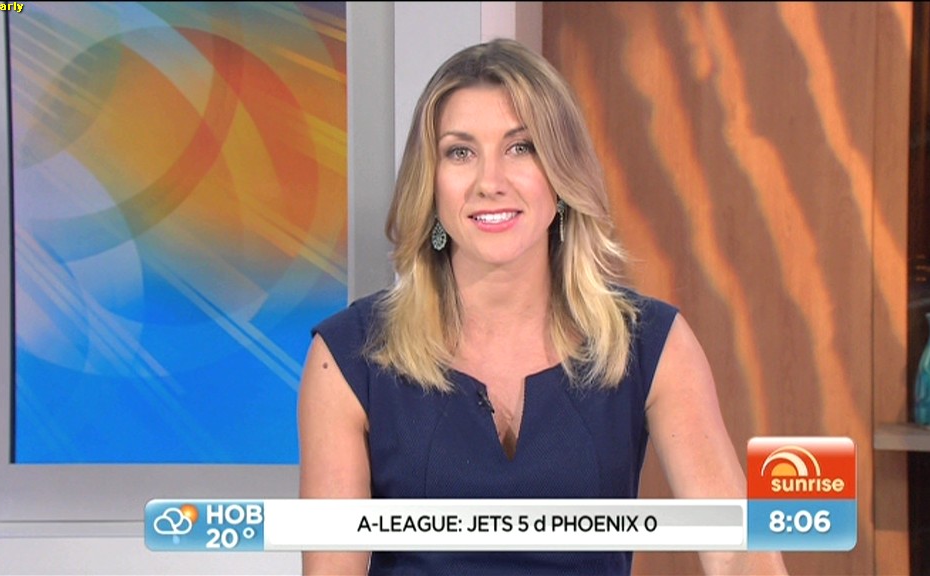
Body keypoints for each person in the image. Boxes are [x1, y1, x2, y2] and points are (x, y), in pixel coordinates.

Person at [298, 38, 788, 576]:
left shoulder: (650, 343)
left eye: (521, 147)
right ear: (430, 183)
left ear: (561, 174)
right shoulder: (349, 358)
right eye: (460, 152)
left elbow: (739, 554)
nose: (490, 183)